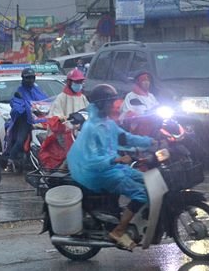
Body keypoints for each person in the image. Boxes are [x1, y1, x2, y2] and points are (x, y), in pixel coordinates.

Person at [66, 84, 155, 251]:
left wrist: (151, 142)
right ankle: (119, 231)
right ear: (100, 104)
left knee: (149, 181)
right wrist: (117, 159)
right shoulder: (91, 128)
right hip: (95, 173)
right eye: (109, 103)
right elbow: (91, 160)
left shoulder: (108, 123)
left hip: (113, 167)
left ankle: (137, 220)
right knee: (141, 194)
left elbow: (125, 138)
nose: (113, 106)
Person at [3, 68, 48, 168]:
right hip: (25, 121)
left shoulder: (37, 90)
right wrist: (22, 109)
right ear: (23, 79)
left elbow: (45, 101)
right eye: (28, 78)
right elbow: (15, 104)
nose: (30, 80)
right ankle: (10, 160)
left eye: (32, 78)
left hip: (39, 120)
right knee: (20, 141)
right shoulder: (19, 92)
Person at [119, 70, 160, 136]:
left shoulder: (151, 96)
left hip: (152, 124)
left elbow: (157, 106)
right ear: (138, 82)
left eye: (148, 81)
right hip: (137, 126)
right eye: (143, 81)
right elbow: (127, 113)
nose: (146, 83)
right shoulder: (131, 96)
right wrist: (137, 116)